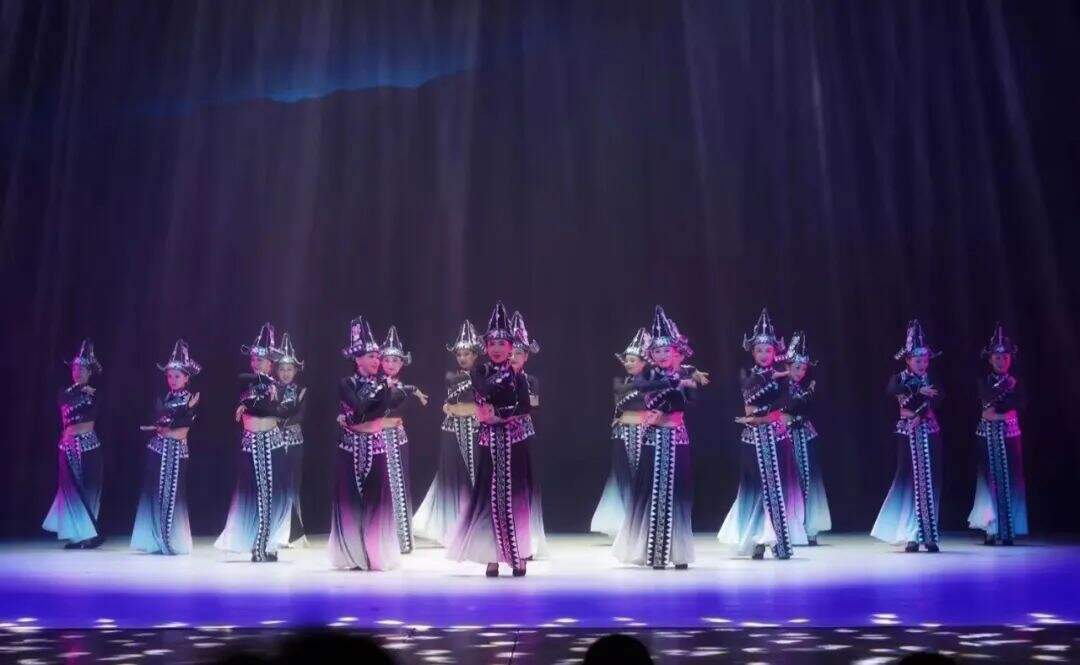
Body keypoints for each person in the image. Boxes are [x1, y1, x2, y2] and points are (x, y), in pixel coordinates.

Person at [448, 302, 539, 577]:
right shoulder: (480, 371)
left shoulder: (519, 378)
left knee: (516, 496)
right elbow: (484, 390)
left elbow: (525, 407)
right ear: (485, 347)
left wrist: (499, 414)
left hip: (514, 442)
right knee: (488, 495)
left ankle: (519, 554)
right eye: (492, 343)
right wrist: (501, 403)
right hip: (490, 442)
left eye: (502, 343)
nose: (497, 348)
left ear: (511, 347)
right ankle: (492, 556)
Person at [613, 306, 707, 569]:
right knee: (651, 493)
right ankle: (653, 552)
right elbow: (641, 386)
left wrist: (688, 381)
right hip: (653, 439)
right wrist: (676, 381)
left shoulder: (687, 375)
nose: (662, 355)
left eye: (667, 351)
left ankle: (678, 552)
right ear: (651, 355)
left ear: (676, 351)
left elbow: (693, 400)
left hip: (676, 438)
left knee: (677, 493)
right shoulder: (650, 375)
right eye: (657, 352)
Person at [718, 309, 807, 560]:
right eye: (759, 350)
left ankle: (777, 540)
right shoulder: (747, 373)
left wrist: (767, 408)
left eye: (768, 350)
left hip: (776, 435)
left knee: (777, 489)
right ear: (752, 352)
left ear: (775, 352)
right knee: (755, 487)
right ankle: (756, 539)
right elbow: (749, 389)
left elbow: (788, 401)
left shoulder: (783, 377)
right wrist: (771, 379)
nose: (764, 354)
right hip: (753, 438)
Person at [328, 316, 416, 570]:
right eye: (371, 356)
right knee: (349, 501)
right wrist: (378, 395)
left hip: (376, 447)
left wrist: (378, 398)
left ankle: (373, 554)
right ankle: (354, 555)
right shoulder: (346, 383)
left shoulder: (384, 385)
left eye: (378, 356)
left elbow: (381, 409)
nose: (377, 361)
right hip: (350, 447)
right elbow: (359, 408)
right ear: (357, 359)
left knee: (376, 501)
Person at [215, 323, 289, 562]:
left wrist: (248, 404)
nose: (256, 363)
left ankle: (267, 545)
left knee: (272, 492)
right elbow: (256, 399)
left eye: (261, 360)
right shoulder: (245, 382)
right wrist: (253, 403)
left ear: (271, 363)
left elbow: (270, 409)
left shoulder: (277, 386)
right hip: (251, 443)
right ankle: (256, 544)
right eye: (254, 359)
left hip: (271, 442)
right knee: (252, 493)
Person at [871, 319, 945, 553]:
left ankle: (929, 535)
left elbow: (938, 398)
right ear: (908, 360)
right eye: (917, 360)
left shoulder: (931, 379)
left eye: (925, 360)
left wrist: (920, 413)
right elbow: (891, 391)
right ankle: (910, 535)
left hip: (928, 430)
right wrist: (917, 389)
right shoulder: (900, 378)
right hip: (907, 432)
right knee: (908, 480)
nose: (922, 364)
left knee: (929, 481)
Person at [414, 320, 482, 546]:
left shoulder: (484, 375)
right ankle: (453, 527)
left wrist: (459, 409)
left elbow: (477, 405)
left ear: (475, 354)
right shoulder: (452, 377)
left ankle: (476, 524)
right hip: (452, 430)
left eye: (467, 353)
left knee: (477, 474)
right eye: (459, 354)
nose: (462, 358)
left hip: (476, 429)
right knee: (453, 475)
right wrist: (451, 408)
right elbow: (450, 404)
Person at [131, 340, 200, 555]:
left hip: (175, 453)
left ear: (186, 378)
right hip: (157, 452)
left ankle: (170, 540)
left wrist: (166, 427)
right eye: (169, 376)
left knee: (172, 496)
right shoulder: (164, 397)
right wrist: (165, 427)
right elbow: (158, 421)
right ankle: (155, 539)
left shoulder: (191, 399)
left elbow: (181, 431)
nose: (172, 380)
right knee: (154, 494)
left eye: (177, 376)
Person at [967, 323, 1027, 545]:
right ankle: (991, 529)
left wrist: (998, 412)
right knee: (988, 482)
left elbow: (1019, 404)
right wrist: (1003, 402)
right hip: (987, 437)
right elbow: (987, 399)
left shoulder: (1017, 382)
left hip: (1010, 435)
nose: (1001, 361)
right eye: (997, 357)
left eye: (1005, 357)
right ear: (990, 359)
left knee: (1012, 480)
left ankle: (1009, 529)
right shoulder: (984, 381)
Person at [43, 339, 106, 549]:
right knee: (69, 492)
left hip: (88, 447)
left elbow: (93, 411)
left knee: (88, 490)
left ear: (90, 372)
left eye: (82, 369)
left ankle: (89, 536)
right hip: (67, 447)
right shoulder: (65, 393)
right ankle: (76, 536)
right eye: (75, 368)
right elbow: (66, 409)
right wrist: (80, 392)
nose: (78, 372)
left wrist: (89, 393)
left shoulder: (96, 395)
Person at [591, 327, 651, 538]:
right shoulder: (620, 382)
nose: (628, 363)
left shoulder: (652, 383)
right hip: (622, 434)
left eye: (633, 360)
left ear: (644, 362)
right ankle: (625, 521)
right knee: (622, 475)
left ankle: (641, 520)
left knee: (641, 475)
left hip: (643, 432)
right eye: (627, 360)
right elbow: (621, 399)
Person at [379, 325, 429, 555]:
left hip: (397, 437)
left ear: (402, 364)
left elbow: (398, 399)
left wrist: (413, 390)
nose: (391, 364)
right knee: (380, 486)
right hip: (377, 438)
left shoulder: (401, 389)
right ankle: (380, 537)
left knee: (399, 486)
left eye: (395, 360)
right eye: (387, 360)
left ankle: (402, 540)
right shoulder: (374, 386)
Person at [782, 331, 832, 545]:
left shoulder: (801, 388)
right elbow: (789, 407)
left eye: (803, 369)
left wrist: (806, 398)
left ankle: (809, 526)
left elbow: (802, 409)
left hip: (804, 436)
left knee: (808, 479)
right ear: (786, 366)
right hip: (786, 436)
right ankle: (790, 527)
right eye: (796, 368)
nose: (801, 372)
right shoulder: (780, 386)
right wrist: (806, 397)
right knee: (789, 481)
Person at [509, 310, 549, 559]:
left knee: (525, 486)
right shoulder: (493, 378)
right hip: (499, 436)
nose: (513, 357)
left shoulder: (530, 381)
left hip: (523, 434)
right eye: (511, 352)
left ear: (526, 357)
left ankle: (527, 542)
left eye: (519, 353)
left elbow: (531, 407)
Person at [274, 333, 308, 548]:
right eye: (282, 369)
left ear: (295, 371)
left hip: (294, 443)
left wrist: (280, 420)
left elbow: (300, 415)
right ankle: (276, 530)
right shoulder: (270, 389)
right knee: (276, 485)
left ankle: (293, 534)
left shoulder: (301, 391)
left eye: (289, 369)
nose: (285, 373)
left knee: (293, 486)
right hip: (275, 442)